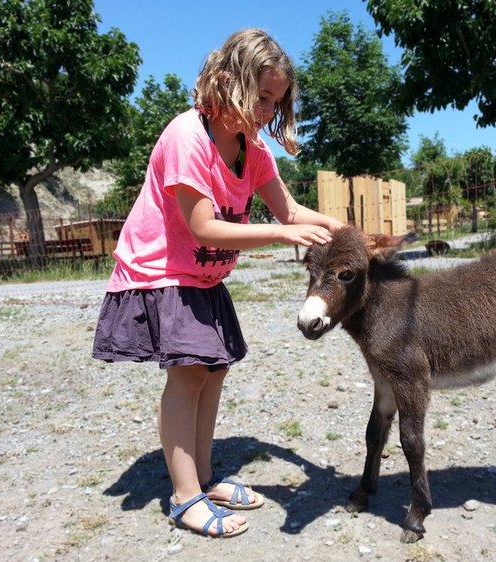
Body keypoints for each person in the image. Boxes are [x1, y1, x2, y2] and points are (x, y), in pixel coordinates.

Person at [92, 28, 345, 538]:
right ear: (227, 82)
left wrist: (351, 233)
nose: (268, 111)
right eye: (261, 97)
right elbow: (203, 226)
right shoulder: (186, 135)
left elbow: (290, 209)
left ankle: (203, 478)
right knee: (187, 375)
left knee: (213, 371)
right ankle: (185, 497)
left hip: (204, 274)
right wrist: (281, 232)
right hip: (162, 270)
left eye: (276, 102)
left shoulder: (254, 152)